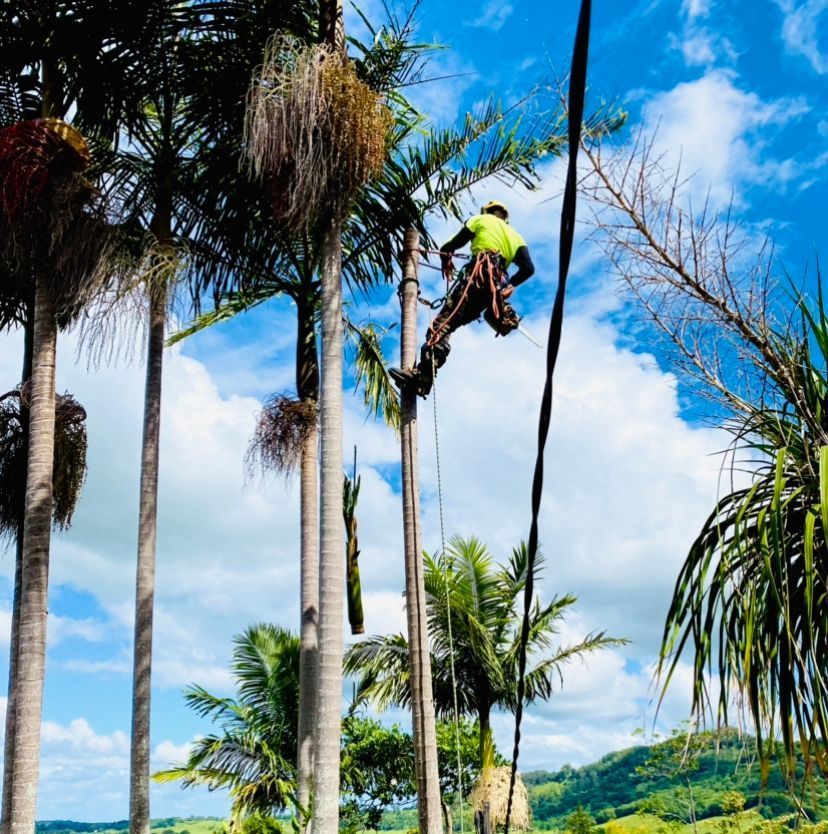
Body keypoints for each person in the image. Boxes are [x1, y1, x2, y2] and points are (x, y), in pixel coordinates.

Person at [390, 200, 535, 397]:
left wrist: (445, 256)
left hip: (476, 278)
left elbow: (452, 245)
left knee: (443, 323)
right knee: (451, 323)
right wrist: (507, 286)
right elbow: (528, 268)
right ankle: (424, 376)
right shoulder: (516, 236)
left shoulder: (480, 219)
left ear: (487, 211)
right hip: (492, 289)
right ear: (505, 217)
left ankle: (422, 379)